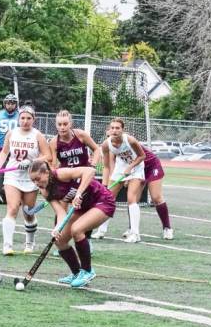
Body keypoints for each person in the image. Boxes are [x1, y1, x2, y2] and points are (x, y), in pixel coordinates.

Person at [29, 160, 115, 288]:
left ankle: (87, 271)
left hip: (102, 200)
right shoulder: (45, 190)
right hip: (82, 207)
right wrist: (58, 228)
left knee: (77, 229)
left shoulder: (60, 174)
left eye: (38, 178)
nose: (36, 183)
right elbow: (60, 213)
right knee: (59, 240)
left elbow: (89, 171)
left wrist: (78, 193)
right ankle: (76, 273)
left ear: (47, 173)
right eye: (33, 180)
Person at [0, 104, 51, 255]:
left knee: (28, 212)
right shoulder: (11, 133)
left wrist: (33, 161)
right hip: (13, 176)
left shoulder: (38, 135)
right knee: (12, 208)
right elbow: (4, 152)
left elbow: (48, 156)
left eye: (28, 118)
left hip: (31, 178)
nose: (25, 121)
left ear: (33, 119)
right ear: (19, 118)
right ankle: (7, 245)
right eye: (22, 118)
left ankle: (29, 242)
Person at [49, 109, 101, 255]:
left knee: (84, 208)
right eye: (59, 124)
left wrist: (93, 165)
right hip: (66, 180)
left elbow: (97, 149)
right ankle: (60, 242)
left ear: (70, 123)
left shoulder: (81, 135)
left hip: (84, 178)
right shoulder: (54, 142)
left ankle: (87, 240)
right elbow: (53, 165)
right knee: (61, 208)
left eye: (65, 124)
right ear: (56, 125)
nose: (62, 127)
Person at [92, 118, 145, 243]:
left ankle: (135, 234)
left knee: (131, 199)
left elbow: (142, 156)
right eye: (112, 128)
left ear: (122, 130)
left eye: (117, 128)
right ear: (109, 130)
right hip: (120, 168)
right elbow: (106, 167)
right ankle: (101, 231)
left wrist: (130, 167)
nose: (114, 130)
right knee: (108, 198)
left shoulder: (130, 140)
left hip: (136, 169)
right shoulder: (106, 144)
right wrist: (105, 185)